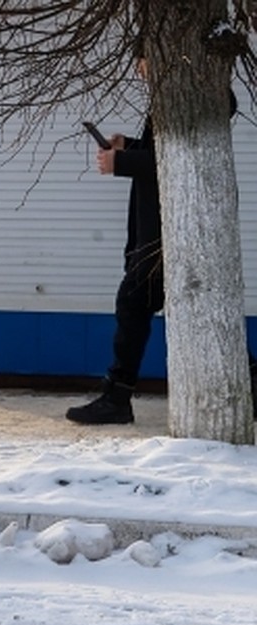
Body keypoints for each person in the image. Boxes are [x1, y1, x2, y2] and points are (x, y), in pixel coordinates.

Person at [67, 57, 250, 425]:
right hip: (159, 231)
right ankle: (118, 397)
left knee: (142, 305)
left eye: (144, 60)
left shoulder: (197, 94)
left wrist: (121, 162)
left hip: (168, 234)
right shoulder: (172, 98)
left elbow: (181, 159)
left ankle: (117, 398)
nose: (140, 69)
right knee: (179, 309)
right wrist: (129, 147)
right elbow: (165, 152)